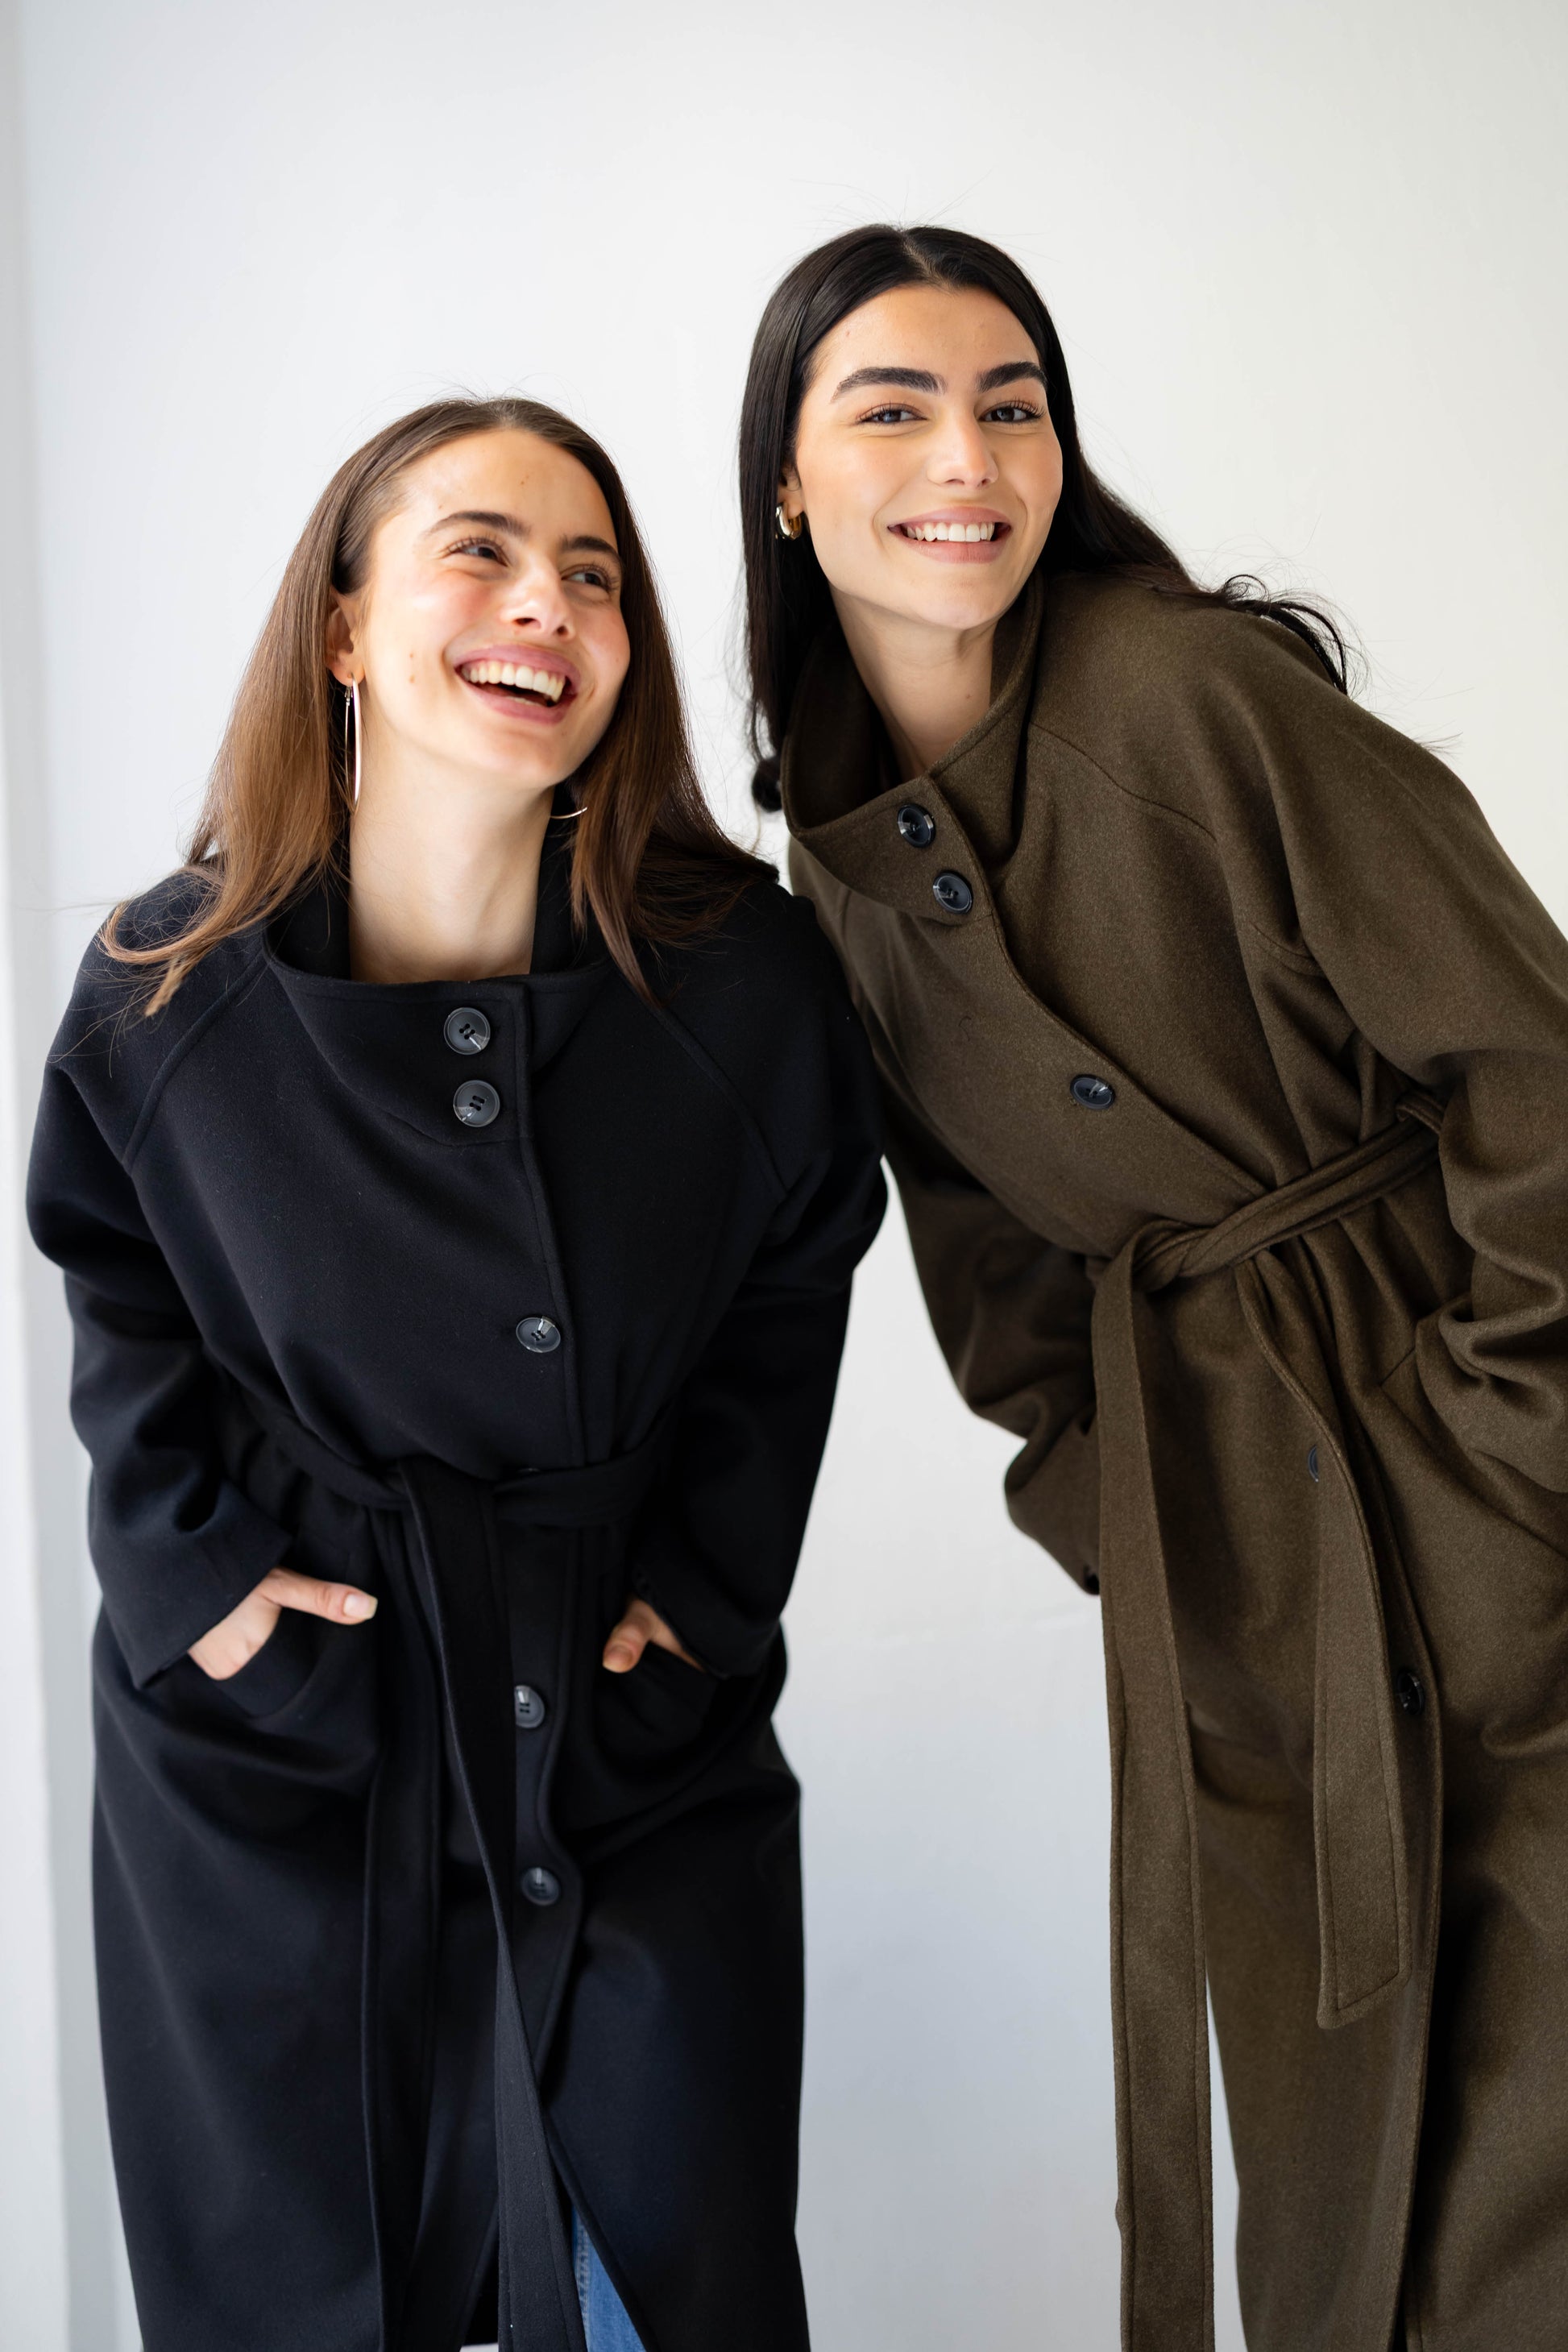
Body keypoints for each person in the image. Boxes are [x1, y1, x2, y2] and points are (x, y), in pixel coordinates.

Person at [740, 223, 1568, 2352]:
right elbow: (995, 1279)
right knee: (1342, 2184)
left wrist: (1513, 1466)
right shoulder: (838, 865)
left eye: (1011, 404)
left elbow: (1530, 1061)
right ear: (788, 483)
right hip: (1246, 1576)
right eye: (894, 409)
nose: (968, 457)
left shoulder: (1187, 695)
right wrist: (1126, 1521)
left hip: (1487, 1497)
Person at [28, 395, 884, 2352]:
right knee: (313, 2281)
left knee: (656, 2278)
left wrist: (707, 1588)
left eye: (591, 573)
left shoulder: (733, 978)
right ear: (343, 625)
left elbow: (798, 1275)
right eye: (478, 552)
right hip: (284, 1764)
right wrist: (198, 1585)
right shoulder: (173, 984)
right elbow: (110, 1267)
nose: (545, 606)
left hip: (626, 1735)